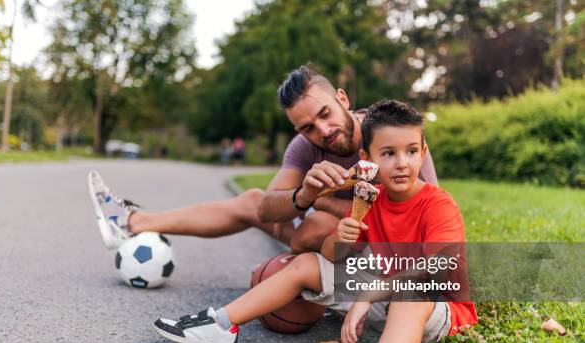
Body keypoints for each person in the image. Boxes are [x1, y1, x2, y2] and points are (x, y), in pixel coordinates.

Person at [152, 100, 477, 343]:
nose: (402, 163)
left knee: (410, 299)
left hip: (437, 306)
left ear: (423, 153)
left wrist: (366, 297)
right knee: (307, 263)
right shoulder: (371, 199)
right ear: (368, 159)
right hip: (384, 294)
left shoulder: (438, 204)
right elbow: (330, 256)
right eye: (388, 153)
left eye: (410, 152)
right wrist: (341, 237)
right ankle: (222, 325)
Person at [87, 65, 437, 254]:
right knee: (255, 200)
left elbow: (427, 215)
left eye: (326, 113)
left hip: (381, 246)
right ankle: (134, 221)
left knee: (317, 225)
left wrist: (327, 206)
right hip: (334, 237)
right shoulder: (304, 147)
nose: (323, 130)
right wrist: (303, 196)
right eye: (308, 127)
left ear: (343, 99)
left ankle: (297, 276)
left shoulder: (391, 134)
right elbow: (267, 210)